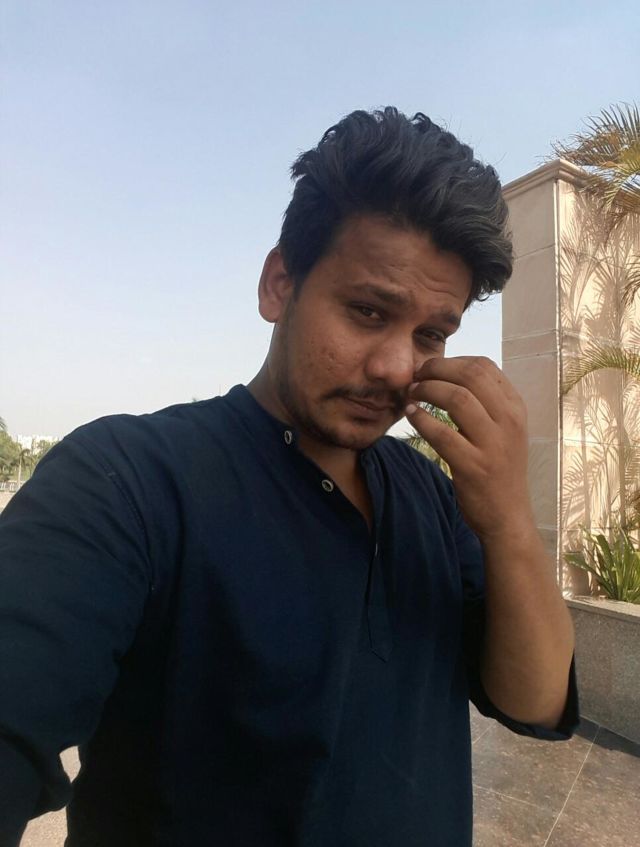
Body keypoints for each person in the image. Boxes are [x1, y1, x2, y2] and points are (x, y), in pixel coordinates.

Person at [0, 107, 577, 847]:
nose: (397, 366)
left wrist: (508, 520)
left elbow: (535, 701)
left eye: (431, 334)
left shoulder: (433, 496)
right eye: (368, 310)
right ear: (279, 284)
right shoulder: (128, 482)